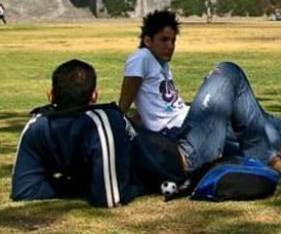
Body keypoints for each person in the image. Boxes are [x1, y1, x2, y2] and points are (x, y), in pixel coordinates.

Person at [119, 10, 281, 176]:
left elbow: (149, 103)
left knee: (266, 123)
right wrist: (121, 118)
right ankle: (272, 157)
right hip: (183, 135)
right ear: (147, 41)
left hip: (192, 126)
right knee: (227, 72)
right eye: (164, 40)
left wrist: (140, 118)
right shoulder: (141, 57)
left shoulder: (161, 64)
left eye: (173, 41)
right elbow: (126, 100)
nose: (170, 46)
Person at [12, 59, 184, 207]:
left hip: (183, 155)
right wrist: (82, 185)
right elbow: (24, 189)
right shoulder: (39, 125)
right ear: (94, 96)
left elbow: (111, 198)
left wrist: (73, 185)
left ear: (50, 95)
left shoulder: (101, 123)